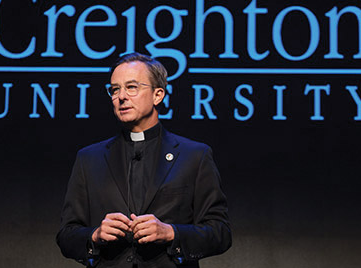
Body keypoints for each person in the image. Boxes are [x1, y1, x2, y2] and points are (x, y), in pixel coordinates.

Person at [56, 52, 231, 267]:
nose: (121, 96)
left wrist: (171, 233)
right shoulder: (89, 159)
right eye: (114, 89)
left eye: (131, 87)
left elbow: (220, 233)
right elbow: (66, 236)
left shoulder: (194, 156)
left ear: (158, 95)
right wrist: (95, 235)